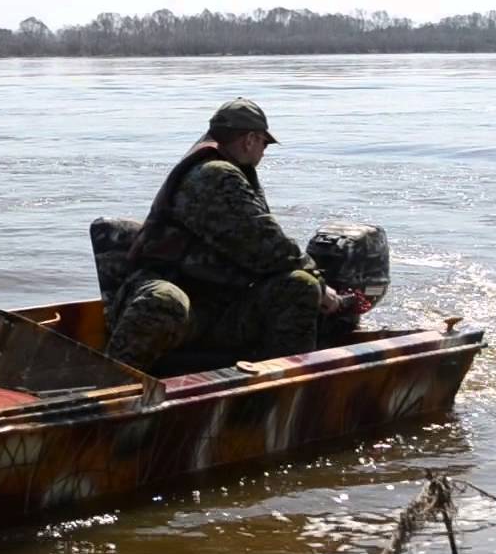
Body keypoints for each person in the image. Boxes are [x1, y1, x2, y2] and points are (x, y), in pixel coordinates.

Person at [105, 97, 339, 371]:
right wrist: (322, 286)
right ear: (250, 139)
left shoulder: (226, 171)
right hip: (182, 299)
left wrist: (312, 282)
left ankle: (275, 388)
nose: (264, 152)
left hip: (219, 306)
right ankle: (113, 386)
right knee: (165, 301)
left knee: (299, 286)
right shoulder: (214, 175)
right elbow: (267, 246)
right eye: (265, 143)